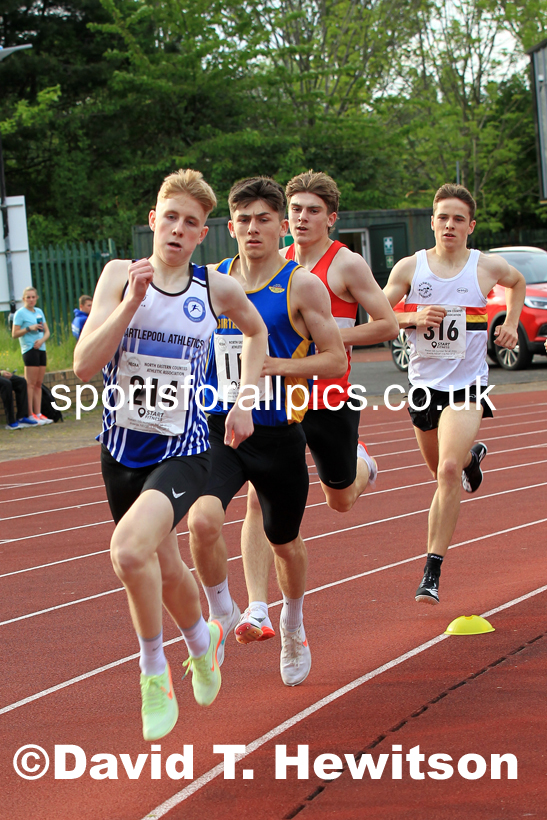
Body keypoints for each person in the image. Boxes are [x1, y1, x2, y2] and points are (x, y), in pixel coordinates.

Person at [73, 169, 267, 741]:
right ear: (153, 221)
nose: (178, 230)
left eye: (191, 223)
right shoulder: (119, 276)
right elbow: (83, 366)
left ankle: (153, 670)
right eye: (171, 218)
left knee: (128, 553)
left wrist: (244, 401)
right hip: (121, 451)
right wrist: (131, 303)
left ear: (203, 234)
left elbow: (255, 333)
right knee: (162, 565)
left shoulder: (215, 290)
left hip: (184, 452)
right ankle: (203, 642)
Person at [188, 176, 347, 686]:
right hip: (219, 428)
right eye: (243, 220)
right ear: (229, 227)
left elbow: (335, 358)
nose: (252, 228)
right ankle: (223, 613)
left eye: (263, 219)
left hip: (277, 434)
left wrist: (275, 365)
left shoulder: (301, 284)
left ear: (281, 226)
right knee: (201, 522)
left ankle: (293, 623)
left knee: (284, 542)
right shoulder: (211, 280)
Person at [236, 170, 399, 644]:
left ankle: (362, 463)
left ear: (331, 218)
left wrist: (329, 334)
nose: (302, 218)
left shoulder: (346, 264)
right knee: (257, 495)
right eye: (295, 210)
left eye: (313, 210)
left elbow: (388, 324)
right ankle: (257, 608)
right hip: (283, 397)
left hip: (331, 395)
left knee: (339, 499)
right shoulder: (275, 261)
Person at [383, 183, 526, 605]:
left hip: (468, 388)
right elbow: (378, 313)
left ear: (470, 226)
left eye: (458, 219)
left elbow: (517, 282)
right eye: (443, 217)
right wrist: (411, 316)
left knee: (446, 471)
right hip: (423, 389)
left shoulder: (485, 267)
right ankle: (471, 458)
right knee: (440, 470)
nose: (449, 225)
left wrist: (511, 323)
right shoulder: (410, 268)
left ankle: (432, 570)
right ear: (432, 222)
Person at [11, 286, 53, 425]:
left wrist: (41, 340)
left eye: (33, 297)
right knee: (31, 383)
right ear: (24, 299)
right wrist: (29, 328)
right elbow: (14, 334)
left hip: (41, 348)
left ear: (37, 298)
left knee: (39, 383)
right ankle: (30, 414)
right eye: (28, 297)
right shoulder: (20, 314)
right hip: (29, 349)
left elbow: (47, 331)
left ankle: (38, 413)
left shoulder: (39, 311)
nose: (31, 300)